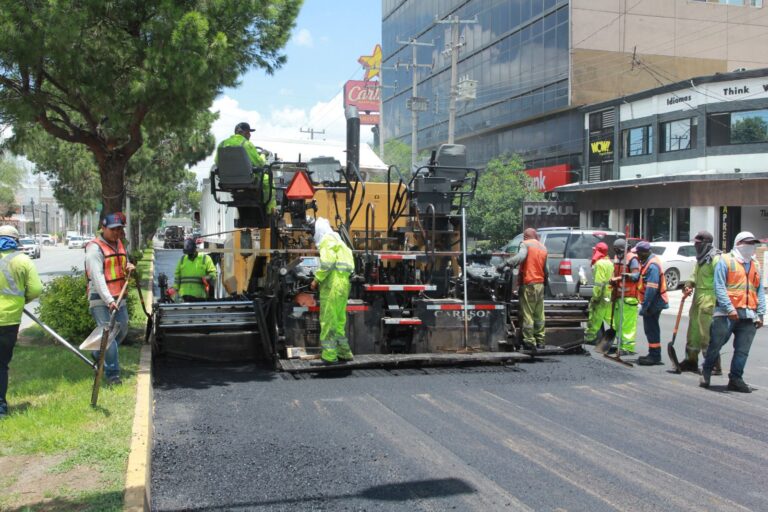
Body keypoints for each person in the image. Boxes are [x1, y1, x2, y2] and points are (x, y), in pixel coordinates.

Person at [700, 231, 765, 393]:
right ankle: (706, 371)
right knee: (716, 345)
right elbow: (719, 287)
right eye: (747, 243)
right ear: (738, 243)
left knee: (743, 350)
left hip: (749, 314)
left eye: (752, 244)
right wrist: (729, 308)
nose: (750, 247)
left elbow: (759, 291)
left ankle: (736, 379)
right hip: (725, 314)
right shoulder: (726, 261)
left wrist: (761, 313)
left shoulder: (755, 265)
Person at [85, 212, 135, 385]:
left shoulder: (119, 243)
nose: (116, 233)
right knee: (109, 336)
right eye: (113, 229)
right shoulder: (95, 248)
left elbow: (122, 263)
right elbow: (97, 277)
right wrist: (109, 300)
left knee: (122, 330)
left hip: (119, 297)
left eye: (119, 229)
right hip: (101, 298)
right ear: (103, 228)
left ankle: (98, 353)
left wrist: (128, 266)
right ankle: (112, 374)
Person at [0, 225, 43, 418]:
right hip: (9, 319)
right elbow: (35, 289)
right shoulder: (23, 260)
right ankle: (0, 406)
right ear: (16, 240)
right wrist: (21, 300)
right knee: (1, 364)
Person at [310, 218, 355, 364]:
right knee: (339, 321)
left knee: (328, 320)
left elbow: (327, 262)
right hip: (343, 283)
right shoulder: (339, 242)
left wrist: (316, 279)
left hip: (333, 284)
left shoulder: (327, 240)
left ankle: (329, 356)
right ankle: (344, 352)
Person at [680, 231, 721, 374]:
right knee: (693, 331)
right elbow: (694, 274)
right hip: (698, 296)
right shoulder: (701, 259)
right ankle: (691, 360)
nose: (695, 245)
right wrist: (689, 284)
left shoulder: (715, 259)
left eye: (698, 243)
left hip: (710, 297)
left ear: (706, 243)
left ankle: (713, 364)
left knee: (706, 333)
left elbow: (721, 280)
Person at [500, 228, 548, 350]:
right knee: (539, 314)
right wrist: (544, 284)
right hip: (540, 284)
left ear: (525, 237)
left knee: (527, 313)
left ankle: (529, 341)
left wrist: (506, 263)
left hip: (529, 283)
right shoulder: (543, 247)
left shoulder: (525, 244)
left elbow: (520, 257)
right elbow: (545, 270)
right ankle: (540, 341)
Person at [217, 122, 275, 214]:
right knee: (268, 180)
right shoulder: (247, 144)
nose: (250, 135)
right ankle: (269, 211)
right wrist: (263, 154)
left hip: (226, 181)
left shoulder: (222, 144)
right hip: (247, 180)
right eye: (248, 132)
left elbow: (217, 162)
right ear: (242, 133)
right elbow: (260, 163)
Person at [635, 241, 669, 365]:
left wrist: (646, 306)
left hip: (654, 301)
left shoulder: (652, 266)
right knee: (651, 328)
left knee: (651, 328)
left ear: (644, 252)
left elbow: (651, 289)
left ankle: (654, 356)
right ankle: (654, 353)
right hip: (653, 301)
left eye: (638, 253)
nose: (636, 256)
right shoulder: (647, 262)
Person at [609, 239, 641, 355]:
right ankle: (620, 345)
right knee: (618, 323)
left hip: (629, 297)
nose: (617, 252)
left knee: (627, 324)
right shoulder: (618, 258)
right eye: (616, 250)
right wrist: (612, 281)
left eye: (619, 250)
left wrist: (623, 276)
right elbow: (614, 272)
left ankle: (628, 348)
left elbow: (636, 276)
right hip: (618, 295)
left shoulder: (632, 259)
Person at [585, 242, 613, 345]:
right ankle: (618, 334)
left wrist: (596, 296)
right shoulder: (609, 262)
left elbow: (598, 283)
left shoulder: (599, 263)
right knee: (608, 316)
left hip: (601, 294)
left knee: (596, 315)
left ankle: (591, 337)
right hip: (608, 293)